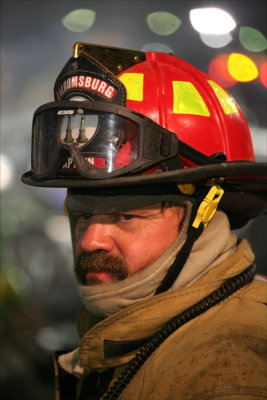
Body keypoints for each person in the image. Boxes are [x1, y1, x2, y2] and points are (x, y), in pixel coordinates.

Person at [22, 42, 267, 400]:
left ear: (205, 212)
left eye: (126, 215)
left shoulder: (232, 363)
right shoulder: (134, 331)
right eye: (84, 214)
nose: (91, 241)